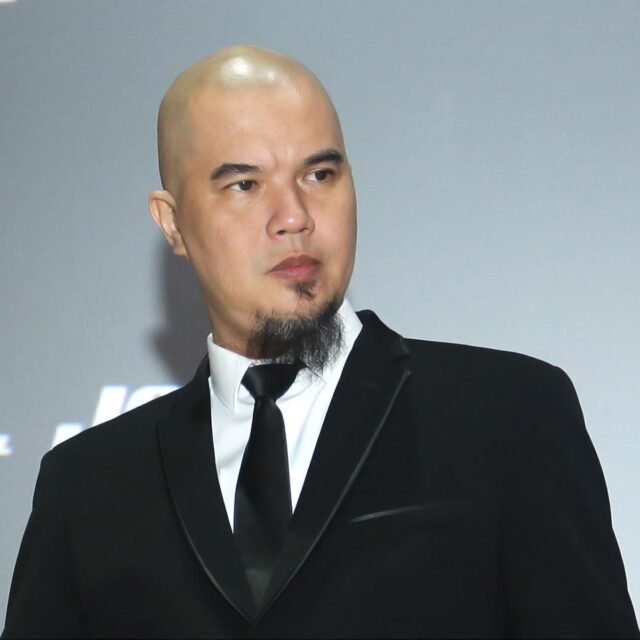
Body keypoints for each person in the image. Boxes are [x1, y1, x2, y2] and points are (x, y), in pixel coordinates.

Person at [3, 44, 639, 638]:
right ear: (172, 223)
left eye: (319, 173)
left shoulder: (510, 416)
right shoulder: (86, 487)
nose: (294, 217)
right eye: (245, 184)